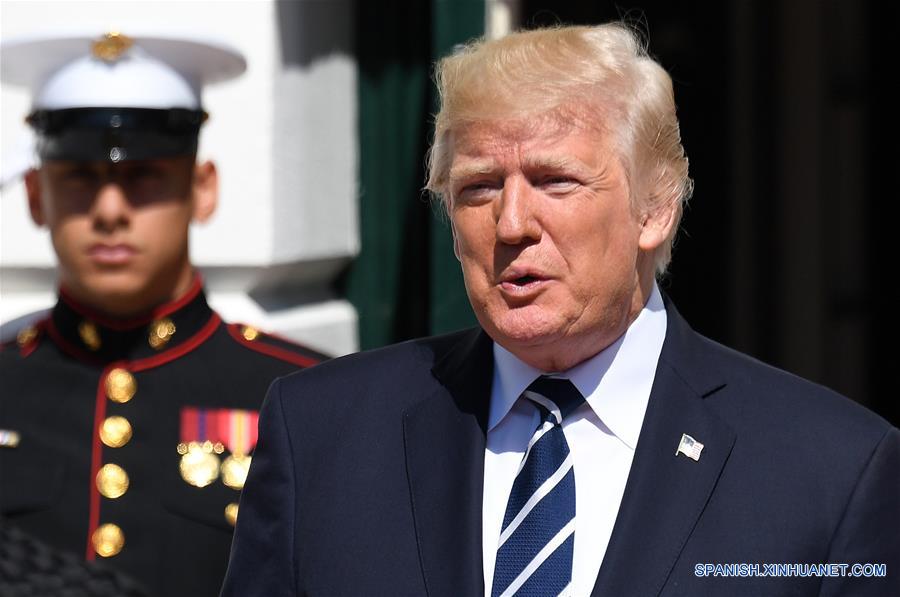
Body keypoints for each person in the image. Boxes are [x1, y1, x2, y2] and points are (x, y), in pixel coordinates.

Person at [221, 23, 899, 597]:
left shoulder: (830, 471)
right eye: (479, 187)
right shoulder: (323, 436)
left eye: (555, 180)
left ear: (655, 208)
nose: (512, 222)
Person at [0, 31, 327, 597]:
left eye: (144, 179)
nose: (109, 212)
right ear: (35, 196)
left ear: (202, 189)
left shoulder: (303, 394)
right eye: (78, 179)